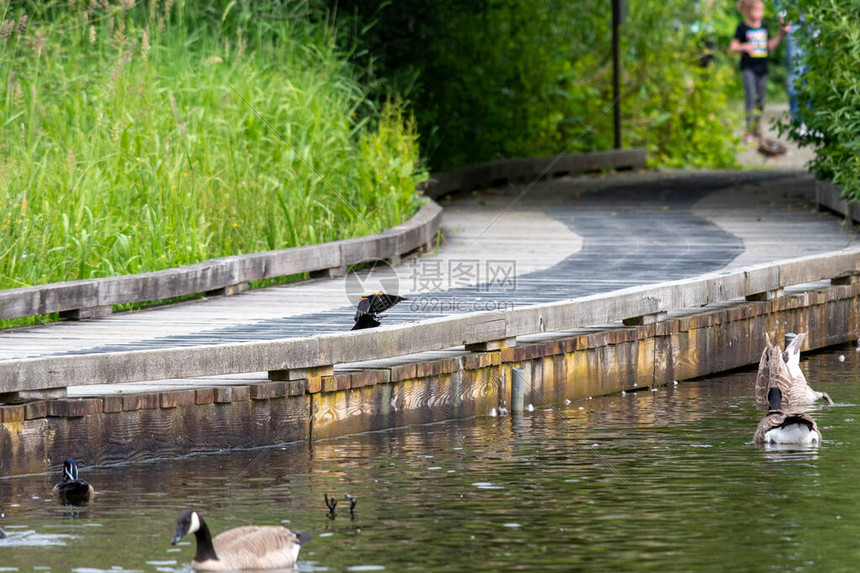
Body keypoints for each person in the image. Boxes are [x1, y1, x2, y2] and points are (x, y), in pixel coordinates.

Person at [729, 0, 790, 142]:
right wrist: (744, 47)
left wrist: (781, 34)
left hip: (763, 69)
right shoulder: (742, 28)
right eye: (757, 10)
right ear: (748, 11)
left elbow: (770, 46)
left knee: (760, 100)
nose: (759, 14)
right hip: (748, 68)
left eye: (761, 11)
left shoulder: (764, 27)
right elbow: (733, 46)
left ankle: (756, 127)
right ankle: (749, 129)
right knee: (750, 97)